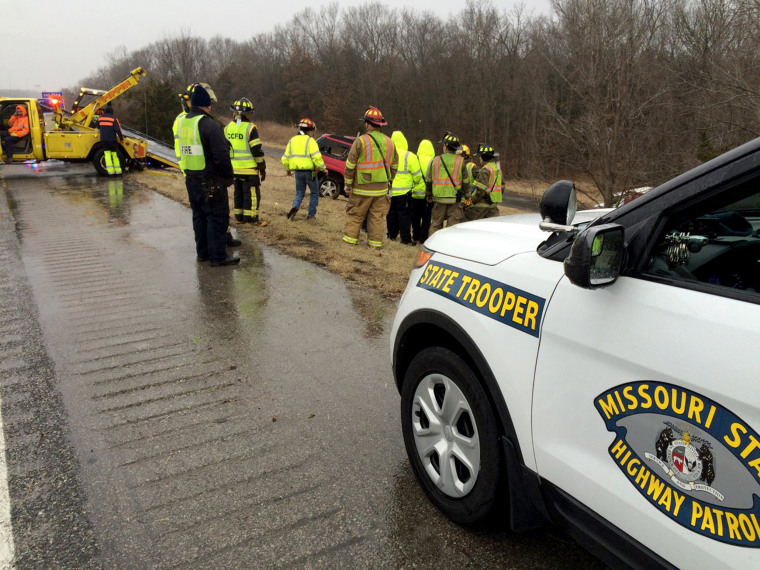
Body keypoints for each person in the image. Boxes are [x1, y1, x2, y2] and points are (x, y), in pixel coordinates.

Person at [177, 83, 239, 267]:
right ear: (207, 105)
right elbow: (221, 156)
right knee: (217, 217)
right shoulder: (210, 125)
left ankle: (203, 253)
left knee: (199, 216)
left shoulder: (183, 123)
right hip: (211, 181)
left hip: (191, 178)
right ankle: (218, 256)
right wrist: (229, 176)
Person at [342, 106, 398, 248]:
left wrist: (348, 184)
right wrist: (389, 179)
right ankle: (374, 245)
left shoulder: (361, 141)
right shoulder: (390, 142)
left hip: (362, 188)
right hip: (381, 189)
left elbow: (350, 165)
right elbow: (395, 166)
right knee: (376, 218)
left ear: (367, 124)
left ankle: (349, 243)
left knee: (355, 215)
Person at [224, 97, 266, 224]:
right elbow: (256, 150)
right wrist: (262, 165)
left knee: (239, 192)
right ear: (248, 113)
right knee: (252, 194)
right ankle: (252, 218)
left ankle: (239, 217)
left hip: (233, 169)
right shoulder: (250, 128)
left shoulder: (227, 128)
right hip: (249, 169)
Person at [281, 118, 326, 221]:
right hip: (310, 173)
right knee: (314, 193)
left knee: (299, 192)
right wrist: (323, 168)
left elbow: (285, 158)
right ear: (310, 130)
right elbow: (317, 158)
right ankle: (311, 216)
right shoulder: (311, 141)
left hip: (298, 173)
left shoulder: (292, 140)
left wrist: (287, 170)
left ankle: (295, 206)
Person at [426, 132, 469, 233]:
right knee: (452, 228)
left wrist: (428, 194)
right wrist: (468, 196)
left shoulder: (435, 160)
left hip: (439, 199)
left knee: (436, 224)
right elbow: (466, 181)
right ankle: (449, 247)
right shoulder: (461, 161)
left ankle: (434, 245)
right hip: (455, 200)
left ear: (446, 146)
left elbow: (429, 180)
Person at [387, 130, 422, 245]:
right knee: (404, 215)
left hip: (391, 191)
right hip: (405, 192)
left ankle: (391, 235)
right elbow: (417, 176)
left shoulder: (388, 155)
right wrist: (414, 183)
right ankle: (405, 239)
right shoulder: (409, 156)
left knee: (391, 213)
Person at [465, 143, 503, 221]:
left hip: (481, 206)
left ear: (484, 157)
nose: (479, 158)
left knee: (463, 221)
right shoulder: (497, 169)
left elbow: (480, 190)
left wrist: (473, 201)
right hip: (493, 206)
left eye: (480, 156)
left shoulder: (485, 170)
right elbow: (503, 186)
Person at [411, 138, 435, 244]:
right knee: (426, 217)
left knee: (415, 217)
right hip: (428, 195)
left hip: (415, 194)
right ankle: (423, 237)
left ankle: (415, 235)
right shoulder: (433, 161)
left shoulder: (415, 158)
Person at [96, 103, 124, 175]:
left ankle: (110, 172)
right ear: (112, 111)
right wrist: (121, 138)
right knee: (114, 155)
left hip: (103, 140)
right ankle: (118, 171)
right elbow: (117, 130)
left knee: (107, 155)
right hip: (112, 140)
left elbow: (98, 127)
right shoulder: (113, 119)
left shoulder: (100, 118)